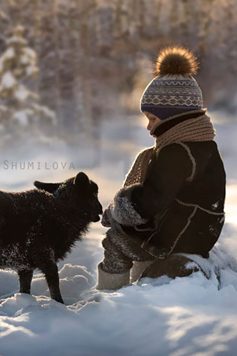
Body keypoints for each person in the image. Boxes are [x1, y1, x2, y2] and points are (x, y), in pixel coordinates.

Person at [97, 46, 226, 290]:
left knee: (115, 242)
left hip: (180, 237)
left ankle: (110, 299)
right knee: (139, 232)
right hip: (198, 231)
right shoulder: (202, 145)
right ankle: (142, 283)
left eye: (153, 119)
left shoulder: (176, 152)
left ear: (173, 117)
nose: (149, 128)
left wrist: (116, 211)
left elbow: (151, 200)